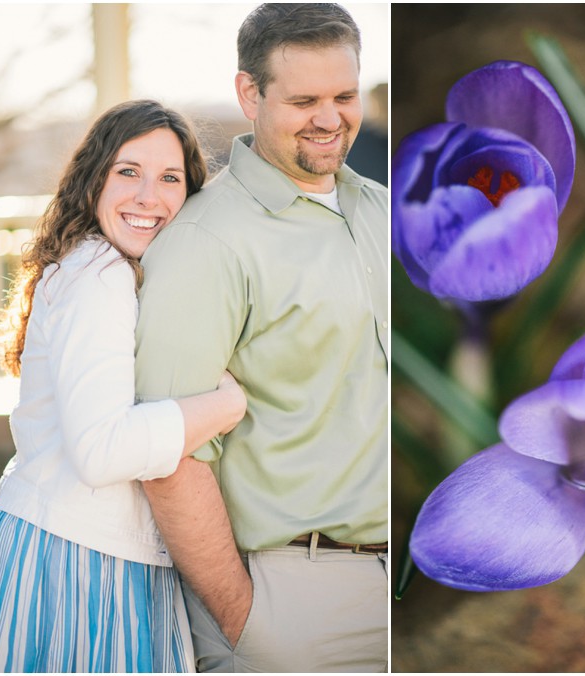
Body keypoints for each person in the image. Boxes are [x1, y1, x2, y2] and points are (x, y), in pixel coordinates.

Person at [0, 100, 248, 673]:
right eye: (127, 171)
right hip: (73, 566)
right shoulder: (101, 276)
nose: (147, 197)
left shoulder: (99, 267)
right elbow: (101, 450)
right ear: (93, 179)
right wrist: (225, 406)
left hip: (69, 547)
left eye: (170, 178)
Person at [135, 4, 389, 672]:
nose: (330, 119)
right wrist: (248, 621)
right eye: (303, 100)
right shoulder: (204, 242)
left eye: (343, 96)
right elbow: (168, 454)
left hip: (403, 590)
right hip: (293, 608)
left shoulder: (380, 211)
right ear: (250, 94)